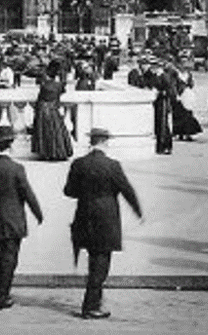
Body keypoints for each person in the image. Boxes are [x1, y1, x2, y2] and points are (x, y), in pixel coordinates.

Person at [63, 127, 143, 319]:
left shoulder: (79, 164)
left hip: (84, 216)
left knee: (93, 259)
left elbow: (68, 191)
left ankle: (94, 300)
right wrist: (137, 210)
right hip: (106, 218)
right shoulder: (112, 165)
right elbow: (127, 190)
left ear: (92, 142)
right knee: (101, 263)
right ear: (105, 142)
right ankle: (90, 306)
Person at [0, 124, 43, 310]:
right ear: (11, 144)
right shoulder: (17, 168)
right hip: (14, 220)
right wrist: (38, 214)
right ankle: (1, 296)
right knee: (9, 258)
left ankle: (2, 292)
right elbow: (27, 193)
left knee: (4, 255)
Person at [31, 63, 73, 161]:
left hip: (43, 109)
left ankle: (46, 153)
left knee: (44, 132)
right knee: (56, 132)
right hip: (53, 109)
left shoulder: (44, 85)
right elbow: (62, 90)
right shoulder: (58, 85)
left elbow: (40, 97)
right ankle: (57, 152)